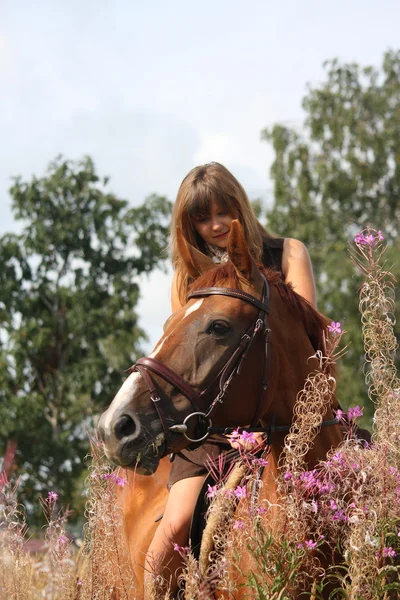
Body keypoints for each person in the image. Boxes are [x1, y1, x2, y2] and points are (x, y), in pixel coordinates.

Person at [144, 162, 317, 596]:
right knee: (178, 523)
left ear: (240, 205)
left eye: (224, 211)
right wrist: (236, 431)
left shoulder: (288, 253)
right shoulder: (188, 278)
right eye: (202, 218)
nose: (216, 225)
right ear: (189, 225)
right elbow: (190, 364)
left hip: (288, 411)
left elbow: (306, 338)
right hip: (216, 426)